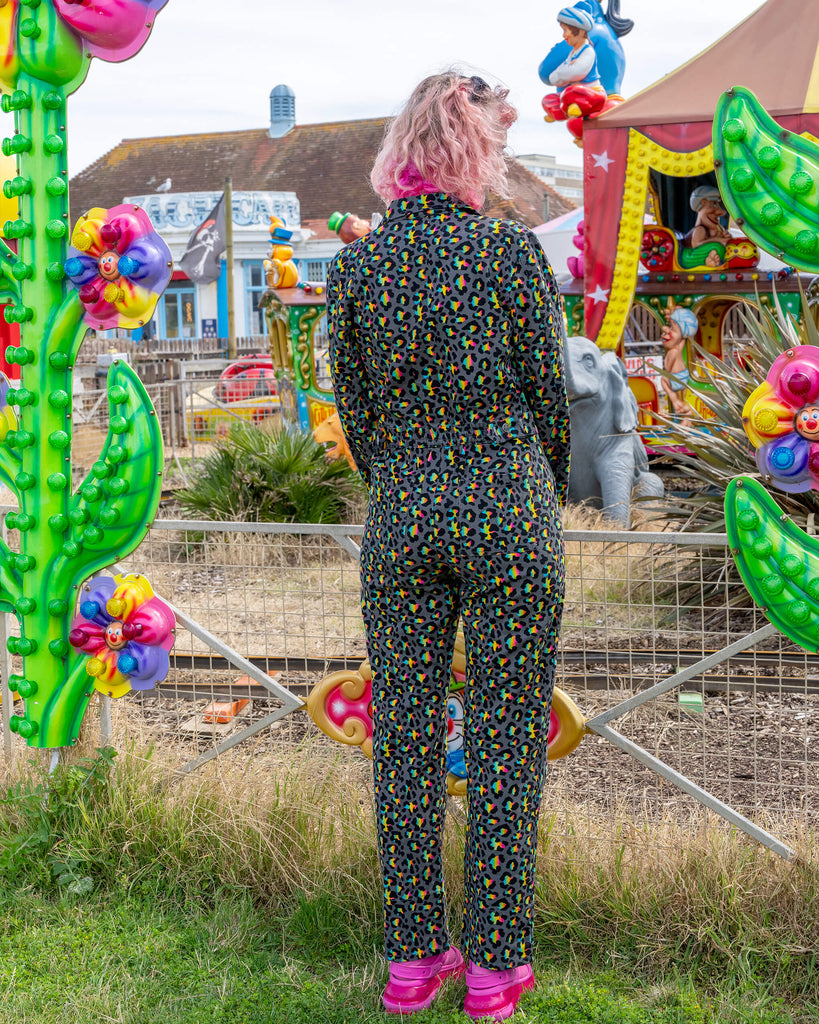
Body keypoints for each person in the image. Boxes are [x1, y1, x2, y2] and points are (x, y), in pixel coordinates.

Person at [327, 71, 570, 1020]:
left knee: (406, 742)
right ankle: (496, 968)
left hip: (403, 513)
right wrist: (531, 483)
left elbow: (356, 410)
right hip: (505, 509)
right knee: (507, 740)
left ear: (403, 150)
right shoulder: (509, 255)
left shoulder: (355, 269)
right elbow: (552, 399)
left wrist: (406, 480)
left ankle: (411, 959)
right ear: (473, 149)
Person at [542, 6, 607, 122]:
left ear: (580, 31)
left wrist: (563, 74)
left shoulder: (588, 51)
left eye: (566, 30)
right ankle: (565, 111)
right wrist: (560, 75)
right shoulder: (572, 54)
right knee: (549, 99)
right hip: (574, 96)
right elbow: (558, 74)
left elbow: (576, 72)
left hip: (592, 95)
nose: (564, 35)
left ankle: (572, 108)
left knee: (571, 92)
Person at [661, 307, 698, 424]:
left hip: (676, 378)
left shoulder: (673, 351)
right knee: (683, 402)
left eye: (671, 328)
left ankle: (674, 399)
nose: (665, 329)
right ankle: (687, 417)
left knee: (663, 379)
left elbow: (667, 368)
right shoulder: (681, 342)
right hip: (683, 376)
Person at [682, 185, 732, 267]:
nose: (721, 212)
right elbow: (696, 245)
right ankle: (708, 261)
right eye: (714, 205)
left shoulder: (716, 228)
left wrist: (723, 236)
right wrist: (719, 240)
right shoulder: (700, 229)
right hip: (689, 258)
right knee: (717, 246)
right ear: (703, 203)